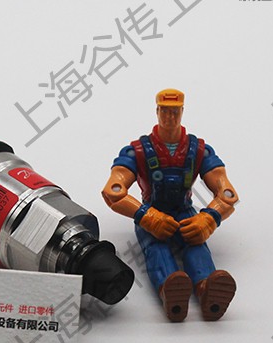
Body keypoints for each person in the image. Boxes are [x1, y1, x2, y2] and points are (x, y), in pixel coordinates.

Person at [101, 89, 238, 321]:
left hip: (185, 211)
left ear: (182, 112)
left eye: (174, 112)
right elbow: (113, 192)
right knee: (157, 248)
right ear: (157, 111)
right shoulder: (137, 151)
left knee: (196, 244)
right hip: (151, 212)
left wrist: (209, 218)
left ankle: (206, 288)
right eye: (165, 111)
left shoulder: (199, 150)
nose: (170, 117)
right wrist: (146, 216)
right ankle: (170, 291)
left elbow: (227, 194)